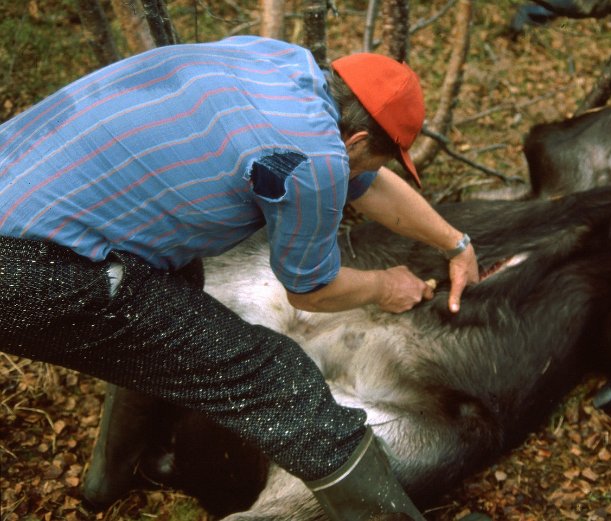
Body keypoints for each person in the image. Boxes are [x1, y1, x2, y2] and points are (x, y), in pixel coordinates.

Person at [0, 36, 479, 519]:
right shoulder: (310, 158)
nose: (367, 172)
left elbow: (365, 182)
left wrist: (455, 243)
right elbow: (309, 290)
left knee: (178, 282)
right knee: (277, 382)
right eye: (375, 158)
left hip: (19, 193)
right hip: (29, 271)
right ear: (355, 142)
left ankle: (110, 483)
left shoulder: (277, 63)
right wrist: (383, 286)